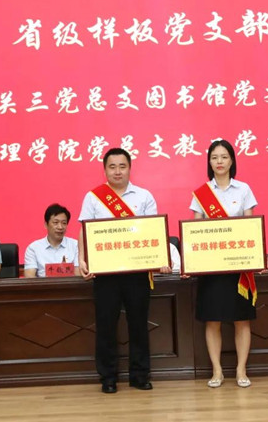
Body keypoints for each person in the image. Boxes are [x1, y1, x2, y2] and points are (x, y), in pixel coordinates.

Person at [78, 148, 170, 394]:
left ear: (130, 168)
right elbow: (84, 230)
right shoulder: (93, 197)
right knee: (106, 325)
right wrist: (82, 259)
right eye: (112, 166)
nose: (117, 171)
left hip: (137, 273)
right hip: (105, 274)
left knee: (138, 324)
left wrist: (160, 258)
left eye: (122, 166)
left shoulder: (144, 196)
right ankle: (108, 377)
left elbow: (153, 231)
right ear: (105, 169)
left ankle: (139, 375)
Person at [189, 139, 258, 388]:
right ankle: (217, 371)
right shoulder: (201, 194)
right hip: (212, 267)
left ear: (232, 160)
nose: (219, 161)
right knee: (213, 320)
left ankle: (241, 369)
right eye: (214, 157)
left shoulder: (243, 190)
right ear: (209, 162)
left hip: (238, 267)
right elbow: (195, 231)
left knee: (242, 319)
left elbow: (250, 228)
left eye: (224, 157)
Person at [24, 203, 80, 277]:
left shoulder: (76, 246)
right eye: (55, 222)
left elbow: (78, 275)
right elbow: (29, 277)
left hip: (70, 284)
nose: (60, 227)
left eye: (64, 223)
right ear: (46, 224)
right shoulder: (33, 248)